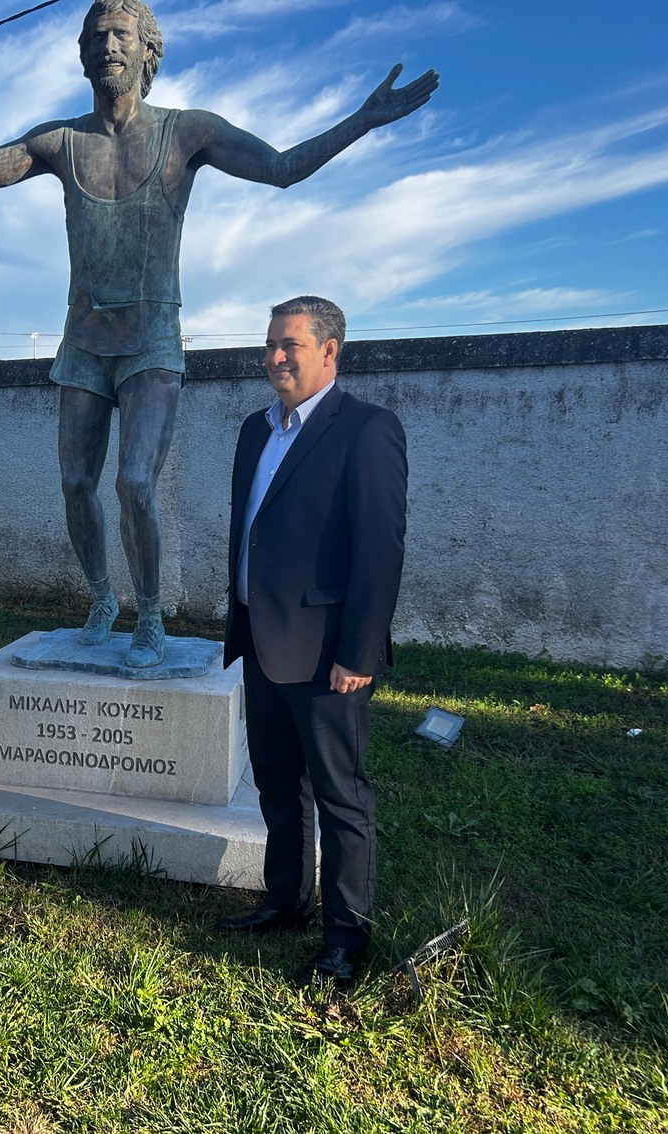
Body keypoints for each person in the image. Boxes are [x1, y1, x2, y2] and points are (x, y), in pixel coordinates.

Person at [0, 0, 434, 668]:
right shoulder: (60, 141)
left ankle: (150, 615)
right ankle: (102, 598)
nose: (109, 46)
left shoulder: (186, 133)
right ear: (83, 53)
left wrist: (361, 120)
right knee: (76, 483)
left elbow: (281, 167)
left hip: (152, 342)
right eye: (97, 35)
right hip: (83, 344)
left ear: (148, 51)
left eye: (122, 34)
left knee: (134, 482)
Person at [218, 296, 407, 987]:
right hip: (262, 642)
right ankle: (286, 899)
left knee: (340, 798)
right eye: (269, 344)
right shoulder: (255, 430)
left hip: (327, 654)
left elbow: (380, 551)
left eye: (289, 345)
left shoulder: (367, 430)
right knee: (277, 784)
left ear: (330, 351)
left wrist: (359, 652)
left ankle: (346, 940)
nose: (274, 357)